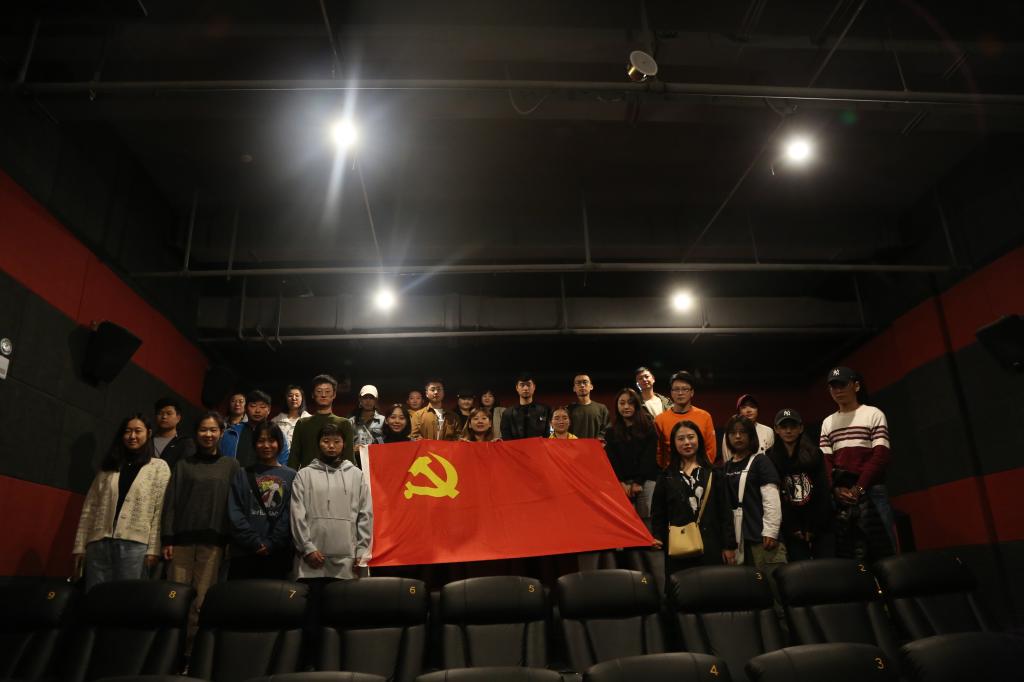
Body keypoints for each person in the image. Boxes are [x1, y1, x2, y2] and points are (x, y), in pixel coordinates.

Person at [290, 421, 373, 662]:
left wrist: (362, 551)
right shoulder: (304, 475)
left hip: (347, 563)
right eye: (326, 441)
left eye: (336, 441)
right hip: (312, 563)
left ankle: (341, 666)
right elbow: (297, 514)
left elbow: (365, 515)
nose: (331, 446)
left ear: (343, 444)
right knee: (312, 620)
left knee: (342, 621)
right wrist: (307, 548)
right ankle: (310, 666)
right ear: (319, 444)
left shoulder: (356, 475)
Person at [162, 411, 240, 653]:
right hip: (181, 543)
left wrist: (229, 540)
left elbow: (234, 505)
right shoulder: (183, 465)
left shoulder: (231, 465)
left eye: (213, 430)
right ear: (196, 433)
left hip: (214, 544)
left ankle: (190, 655)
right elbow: (171, 503)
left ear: (221, 433)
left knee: (201, 603)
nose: (208, 434)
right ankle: (168, 653)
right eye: (203, 430)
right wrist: (167, 538)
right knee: (175, 600)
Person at [73, 414, 171, 591]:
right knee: (96, 597)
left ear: (148, 433)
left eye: (138, 431)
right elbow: (90, 507)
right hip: (99, 543)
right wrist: (80, 545)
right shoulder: (109, 467)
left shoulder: (159, 467)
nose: (132, 436)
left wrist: (153, 549)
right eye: (127, 431)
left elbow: (159, 511)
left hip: (135, 547)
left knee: (127, 599)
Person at [819, 366, 895, 558]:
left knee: (883, 550)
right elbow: (825, 461)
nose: (838, 390)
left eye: (842, 385)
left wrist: (859, 488)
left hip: (872, 490)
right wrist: (835, 489)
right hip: (843, 495)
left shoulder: (873, 414)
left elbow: (881, 456)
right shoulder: (828, 422)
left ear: (856, 386)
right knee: (849, 553)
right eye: (833, 387)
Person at [651, 420, 736, 584]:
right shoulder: (666, 476)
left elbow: (725, 512)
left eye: (691, 437)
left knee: (713, 590)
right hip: (679, 548)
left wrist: (729, 546)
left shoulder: (714, 473)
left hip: (711, 546)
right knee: (682, 591)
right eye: (681, 438)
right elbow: (658, 513)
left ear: (699, 440)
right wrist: (657, 536)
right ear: (674, 444)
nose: (687, 442)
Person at [227, 421, 297, 580]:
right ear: (254, 444)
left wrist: (272, 542)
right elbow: (235, 511)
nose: (266, 445)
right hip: (244, 552)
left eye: (271, 440)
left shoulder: (291, 476)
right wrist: (253, 541)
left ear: (279, 443)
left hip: (277, 553)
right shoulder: (242, 474)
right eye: (261, 441)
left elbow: (290, 514)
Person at [766, 408, 835, 560]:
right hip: (790, 526)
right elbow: (776, 496)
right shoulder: (770, 457)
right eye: (784, 426)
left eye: (793, 426)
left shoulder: (815, 453)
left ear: (801, 428)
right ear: (776, 429)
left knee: (826, 566)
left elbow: (822, 492)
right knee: (799, 569)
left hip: (818, 523)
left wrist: (813, 527)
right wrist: (792, 527)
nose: (788, 431)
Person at [722, 415, 785, 576]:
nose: (737, 436)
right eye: (733, 433)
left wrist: (771, 531)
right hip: (737, 540)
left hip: (760, 536)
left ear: (751, 435)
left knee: (771, 585)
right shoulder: (726, 467)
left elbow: (771, 498)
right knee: (745, 587)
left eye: (742, 432)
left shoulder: (761, 461)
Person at [604, 388, 660, 530]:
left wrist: (638, 482)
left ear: (636, 404)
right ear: (617, 406)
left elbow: (649, 457)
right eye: (622, 403)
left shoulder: (648, 427)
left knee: (647, 522)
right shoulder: (611, 431)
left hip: (645, 481)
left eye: (630, 403)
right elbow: (612, 460)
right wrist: (621, 483)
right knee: (624, 524)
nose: (626, 407)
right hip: (621, 483)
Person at [288, 374, 356, 469]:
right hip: (308, 476)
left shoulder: (344, 423)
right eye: (319, 391)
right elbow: (294, 457)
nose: (323, 395)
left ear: (334, 395)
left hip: (337, 475)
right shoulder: (302, 424)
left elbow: (349, 458)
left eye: (327, 391)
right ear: (313, 395)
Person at [654, 371, 717, 468]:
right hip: (671, 473)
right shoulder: (660, 420)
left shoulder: (705, 416)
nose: (680, 393)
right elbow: (659, 453)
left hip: (701, 471)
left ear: (692, 392)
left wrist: (700, 471)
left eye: (685, 389)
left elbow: (710, 449)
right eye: (676, 389)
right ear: (671, 393)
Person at [221, 389, 289, 468]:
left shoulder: (277, 433)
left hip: (269, 476)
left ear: (269, 410)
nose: (257, 410)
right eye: (253, 406)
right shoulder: (231, 432)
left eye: (262, 407)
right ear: (246, 408)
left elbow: (282, 463)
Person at [501, 374, 552, 440]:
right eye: (522, 385)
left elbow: (548, 435)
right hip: (515, 446)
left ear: (534, 387)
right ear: (517, 388)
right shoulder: (507, 413)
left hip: (539, 446)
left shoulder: (545, 410)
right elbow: (506, 438)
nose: (525, 388)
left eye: (528, 385)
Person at [153, 397, 195, 472]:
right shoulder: (147, 440)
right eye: (160, 413)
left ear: (178, 418)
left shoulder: (185, 443)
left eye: (169, 413)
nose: (164, 417)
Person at [567, 373, 609, 439]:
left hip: (596, 445)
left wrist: (600, 440)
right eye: (578, 383)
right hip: (574, 445)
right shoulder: (568, 409)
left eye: (585, 382)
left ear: (591, 387)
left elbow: (607, 429)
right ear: (574, 388)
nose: (582, 385)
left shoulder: (602, 408)